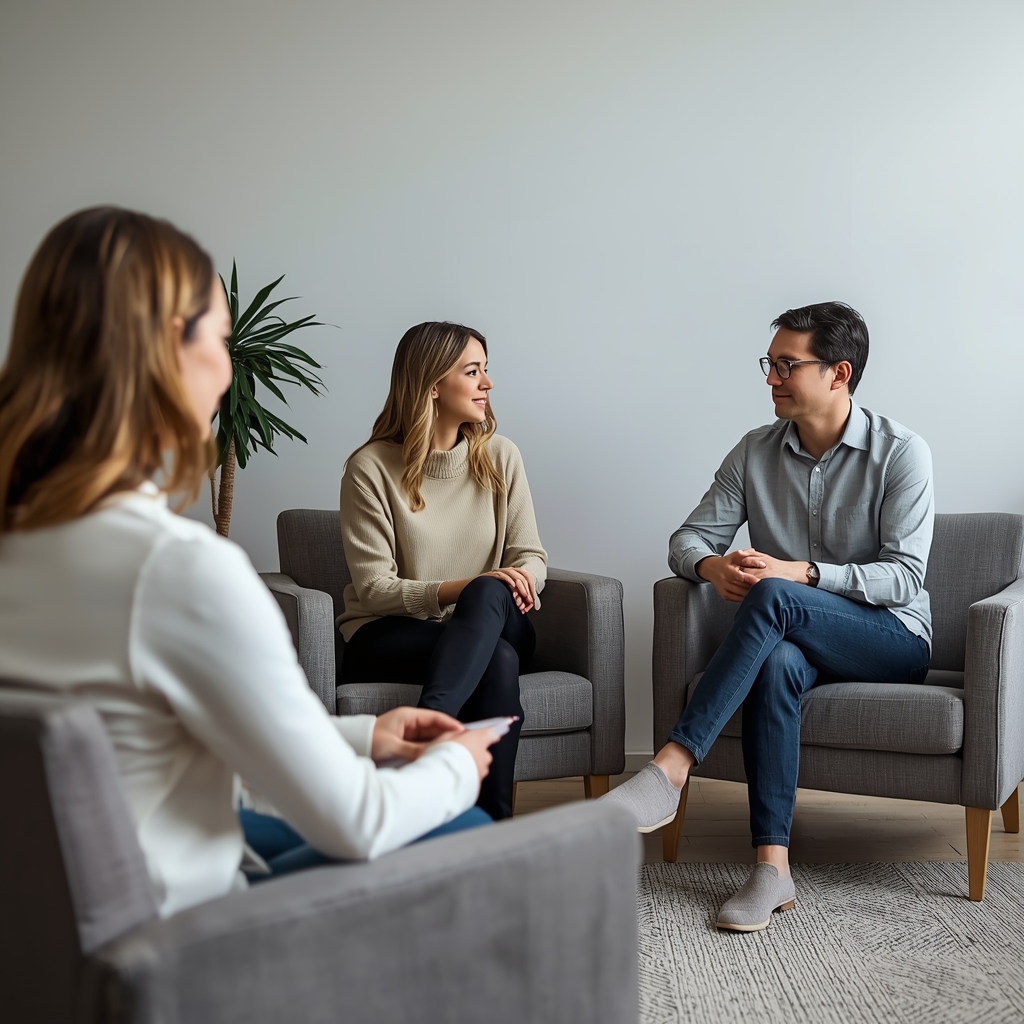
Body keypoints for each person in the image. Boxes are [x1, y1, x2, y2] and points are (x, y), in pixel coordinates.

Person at [0, 207, 503, 918]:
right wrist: (457, 766)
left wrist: (364, 732)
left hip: (50, 924)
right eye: (224, 339)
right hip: (167, 938)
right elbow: (360, 822)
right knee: (467, 828)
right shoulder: (176, 570)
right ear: (170, 353)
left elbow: (144, 732)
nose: (229, 367)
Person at [605, 301, 933, 932]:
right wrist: (713, 570)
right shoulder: (754, 451)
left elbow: (905, 578)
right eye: (770, 363)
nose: (771, 377)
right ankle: (772, 868)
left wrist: (802, 574)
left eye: (788, 364)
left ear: (838, 373)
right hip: (795, 640)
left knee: (775, 595)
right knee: (777, 658)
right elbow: (687, 538)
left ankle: (671, 767)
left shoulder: (900, 453)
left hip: (890, 638)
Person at [338, 321, 548, 820]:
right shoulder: (369, 469)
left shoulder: (501, 457)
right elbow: (373, 588)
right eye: (473, 372)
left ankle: (428, 729)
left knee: (489, 597)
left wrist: (511, 582)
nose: (487, 384)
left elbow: (531, 557)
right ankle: (489, 828)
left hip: (498, 617)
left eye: (486, 371)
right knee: (495, 657)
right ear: (433, 385)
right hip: (391, 635)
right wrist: (468, 587)